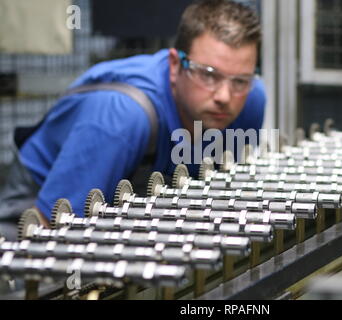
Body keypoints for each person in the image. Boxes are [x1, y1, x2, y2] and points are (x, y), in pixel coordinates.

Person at [0, 0, 266, 229]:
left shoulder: (250, 99)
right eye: (208, 75)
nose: (224, 96)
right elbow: (53, 227)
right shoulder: (123, 118)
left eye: (240, 81)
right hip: (44, 198)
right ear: (175, 65)